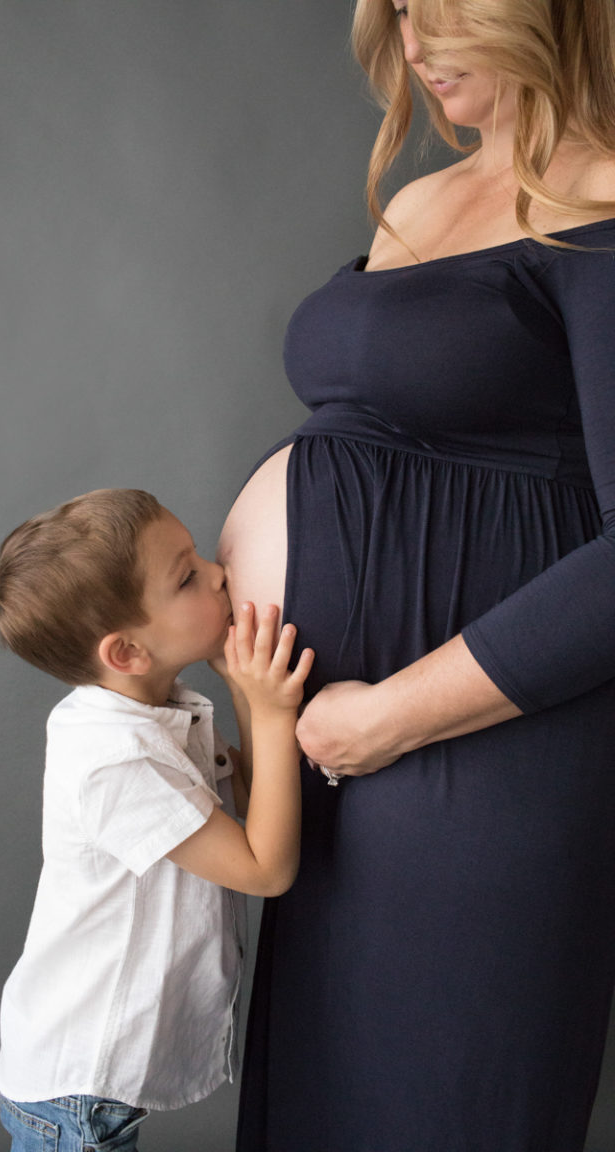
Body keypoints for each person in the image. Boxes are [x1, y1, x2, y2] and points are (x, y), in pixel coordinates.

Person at [217, 2, 615, 1149]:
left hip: (481, 746)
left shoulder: (600, 209)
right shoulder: (419, 200)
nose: (416, 46)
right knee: (325, 1101)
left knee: (445, 1101)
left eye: (448, 14)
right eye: (399, 12)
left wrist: (389, 717)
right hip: (334, 758)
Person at [0, 488, 313, 1152]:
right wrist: (273, 711)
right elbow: (265, 866)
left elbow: (254, 793)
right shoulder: (117, 758)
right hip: (76, 1084)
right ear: (127, 652)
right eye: (188, 575)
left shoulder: (154, 713)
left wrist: (240, 688)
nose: (219, 572)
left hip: (83, 1081)